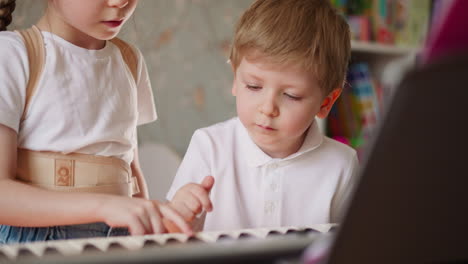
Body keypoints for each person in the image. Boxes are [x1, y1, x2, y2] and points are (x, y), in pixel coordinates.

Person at [0, 0, 191, 244]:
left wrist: (150, 230)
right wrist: (104, 206)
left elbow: (129, 170)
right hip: (38, 243)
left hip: (121, 240)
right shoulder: (13, 54)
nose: (121, 2)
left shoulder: (129, 60)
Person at [166, 0, 359, 232]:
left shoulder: (341, 165)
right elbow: (171, 235)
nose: (268, 108)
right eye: (254, 87)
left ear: (326, 103)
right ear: (236, 80)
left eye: (291, 95)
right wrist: (179, 216)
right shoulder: (209, 146)